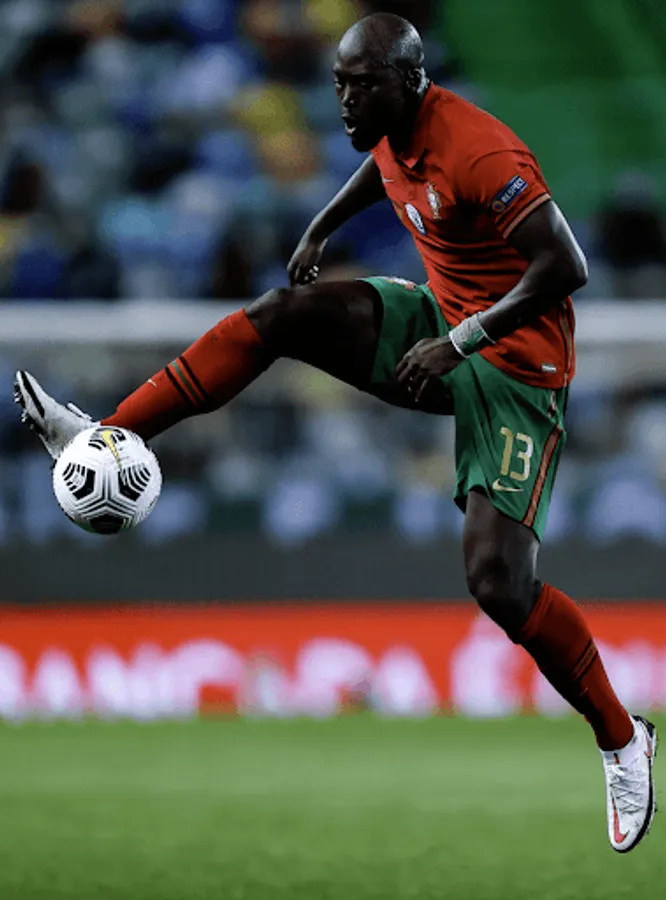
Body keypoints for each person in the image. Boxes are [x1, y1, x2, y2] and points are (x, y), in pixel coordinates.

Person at [15, 12, 657, 852]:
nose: (345, 101)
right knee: (279, 315)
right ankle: (99, 434)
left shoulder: (482, 152)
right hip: (441, 320)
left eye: (361, 86)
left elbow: (565, 266)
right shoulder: (390, 125)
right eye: (339, 86)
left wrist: (462, 340)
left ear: (410, 82)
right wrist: (324, 223)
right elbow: (381, 163)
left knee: (499, 584)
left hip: (516, 367)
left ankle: (622, 739)